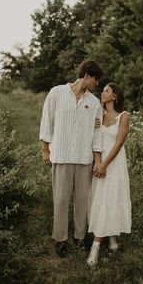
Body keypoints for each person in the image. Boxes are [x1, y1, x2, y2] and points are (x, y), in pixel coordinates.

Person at [39, 61, 104, 258]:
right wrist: (45, 149)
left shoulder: (93, 103)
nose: (97, 83)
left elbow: (97, 134)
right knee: (60, 199)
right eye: (96, 79)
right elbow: (47, 121)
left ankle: (79, 236)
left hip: (84, 158)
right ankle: (60, 239)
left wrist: (97, 158)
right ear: (86, 75)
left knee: (82, 201)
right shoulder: (57, 93)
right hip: (61, 154)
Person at [87, 82, 131, 266]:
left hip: (114, 164)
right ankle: (107, 237)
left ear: (115, 96)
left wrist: (105, 164)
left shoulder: (124, 116)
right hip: (99, 164)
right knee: (100, 199)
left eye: (106, 91)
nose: (102, 93)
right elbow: (95, 140)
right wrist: (98, 162)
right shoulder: (98, 115)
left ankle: (96, 246)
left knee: (112, 198)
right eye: (103, 90)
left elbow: (119, 143)